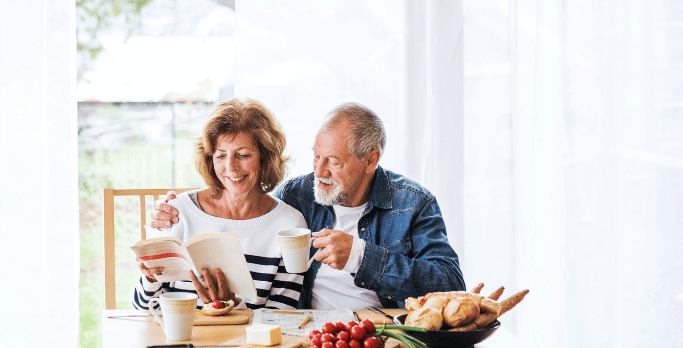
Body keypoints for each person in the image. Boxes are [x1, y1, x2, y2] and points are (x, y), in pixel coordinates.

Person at [151, 102, 466, 309]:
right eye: (316, 156)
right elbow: (241, 198)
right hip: (306, 332)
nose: (319, 172)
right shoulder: (299, 194)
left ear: (371, 159)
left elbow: (451, 286)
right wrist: (179, 209)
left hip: (383, 333)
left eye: (333, 161)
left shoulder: (413, 203)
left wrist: (361, 256)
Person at [131, 98, 308, 311]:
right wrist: (150, 280)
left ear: (266, 157)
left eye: (242, 155)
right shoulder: (177, 212)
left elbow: (282, 315)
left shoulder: (289, 225)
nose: (231, 167)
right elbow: (141, 308)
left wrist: (232, 308)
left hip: (248, 343)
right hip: (183, 339)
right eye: (221, 156)